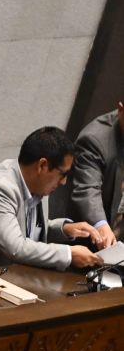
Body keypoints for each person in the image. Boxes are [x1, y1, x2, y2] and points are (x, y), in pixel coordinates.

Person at [0, 127, 105, 271]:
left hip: (8, 278)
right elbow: (16, 247)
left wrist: (64, 229)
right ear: (42, 165)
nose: (64, 182)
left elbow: (28, 230)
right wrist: (68, 254)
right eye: (62, 174)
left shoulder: (37, 184)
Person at [69, 101, 124, 247]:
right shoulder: (94, 139)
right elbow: (87, 188)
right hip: (92, 240)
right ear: (121, 109)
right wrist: (101, 225)